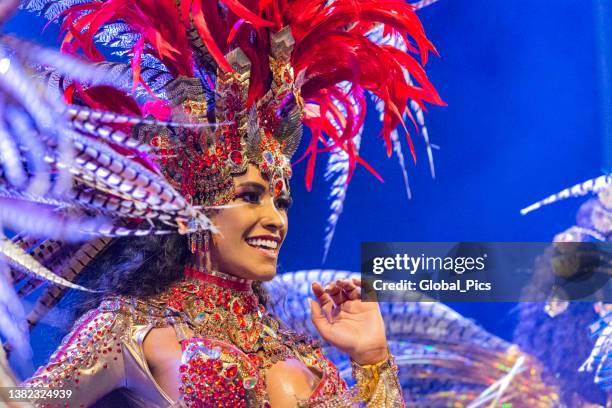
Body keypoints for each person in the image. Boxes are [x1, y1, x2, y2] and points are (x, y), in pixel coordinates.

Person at [12, 0, 444, 406]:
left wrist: (371, 356)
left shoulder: (298, 349)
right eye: (249, 196)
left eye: (282, 202)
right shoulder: (127, 328)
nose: (275, 219)